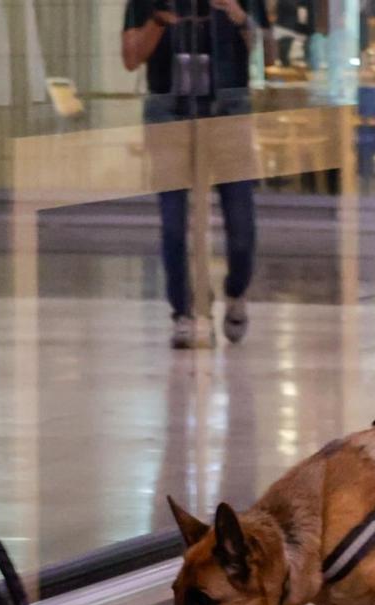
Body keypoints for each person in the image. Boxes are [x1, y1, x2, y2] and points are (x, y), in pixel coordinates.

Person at [122, 0, 272, 350]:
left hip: (229, 109)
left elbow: (268, 55)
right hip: (168, 108)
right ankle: (183, 312)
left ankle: (236, 291)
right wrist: (158, 21)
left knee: (241, 222)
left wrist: (236, 15)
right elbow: (130, 58)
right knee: (174, 223)